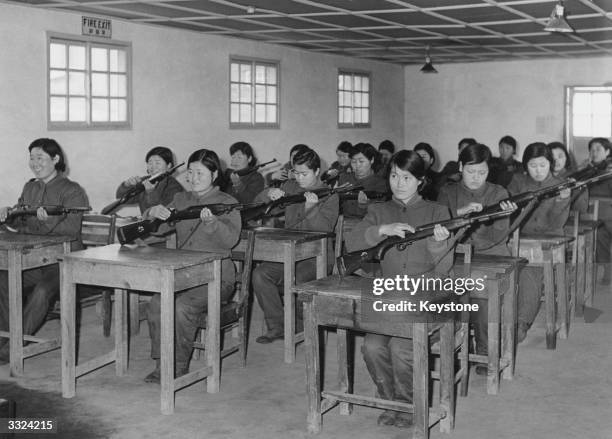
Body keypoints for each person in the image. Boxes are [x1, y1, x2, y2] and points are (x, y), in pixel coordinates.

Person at [346, 150, 452, 428]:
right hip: (387, 293)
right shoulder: (378, 210)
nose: (399, 182)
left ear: (421, 180)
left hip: (423, 294)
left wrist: (440, 242)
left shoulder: (437, 211)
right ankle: (389, 400)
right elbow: (353, 243)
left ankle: (407, 406)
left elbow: (443, 267)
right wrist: (382, 229)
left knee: (402, 349)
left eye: (407, 177)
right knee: (371, 346)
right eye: (394, 175)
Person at [144, 149, 241, 383]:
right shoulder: (181, 199)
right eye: (190, 172)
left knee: (182, 306)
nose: (194, 178)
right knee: (157, 302)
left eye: (200, 172)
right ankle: (161, 361)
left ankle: (177, 366)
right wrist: (152, 212)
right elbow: (159, 229)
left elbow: (231, 240)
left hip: (217, 276)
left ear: (215, 174)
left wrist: (213, 223)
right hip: (185, 273)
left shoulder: (228, 203)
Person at [0, 138, 89, 364]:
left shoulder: (73, 191)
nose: (34, 163)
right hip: (35, 259)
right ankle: (8, 336)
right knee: (3, 279)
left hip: (64, 260)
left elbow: (71, 231)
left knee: (41, 291)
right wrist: (8, 215)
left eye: (40, 157)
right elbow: (21, 225)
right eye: (31, 157)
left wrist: (47, 222)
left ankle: (15, 345)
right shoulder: (30, 187)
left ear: (55, 159)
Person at [437, 143, 518, 372]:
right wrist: (460, 215)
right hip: (456, 256)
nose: (476, 177)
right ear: (460, 166)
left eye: (482, 172)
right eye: (471, 171)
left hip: (491, 256)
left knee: (481, 294)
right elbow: (437, 227)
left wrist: (481, 224)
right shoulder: (447, 192)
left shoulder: (498, 193)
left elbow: (498, 236)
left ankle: (484, 349)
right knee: (444, 293)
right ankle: (453, 348)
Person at [252, 147, 339, 344]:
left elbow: (324, 230)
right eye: (296, 173)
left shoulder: (330, 194)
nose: (299, 178)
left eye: (304, 174)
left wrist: (312, 208)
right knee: (259, 274)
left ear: (317, 171)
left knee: (300, 277)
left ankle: (301, 325)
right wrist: (269, 193)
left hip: (317, 257)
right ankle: (277, 325)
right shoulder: (291, 187)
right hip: (290, 252)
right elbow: (260, 207)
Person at [507, 142, 571, 339]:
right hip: (518, 238)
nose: (538, 171)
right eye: (532, 166)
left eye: (542, 165)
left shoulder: (559, 184)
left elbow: (557, 223)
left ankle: (521, 323)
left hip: (548, 242)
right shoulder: (518, 182)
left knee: (529, 272)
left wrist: (562, 200)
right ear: (525, 166)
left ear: (550, 164)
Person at [115, 146, 184, 214]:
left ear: (169, 165)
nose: (153, 166)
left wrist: (151, 193)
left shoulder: (174, 187)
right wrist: (126, 185)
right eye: (150, 162)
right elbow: (121, 198)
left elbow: (163, 214)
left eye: (157, 163)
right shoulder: (145, 181)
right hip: (145, 223)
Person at [584, 137, 612, 284]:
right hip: (593, 214)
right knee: (600, 233)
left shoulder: (610, 169)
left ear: (607, 151)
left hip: (607, 212)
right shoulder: (586, 170)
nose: (594, 153)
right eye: (592, 150)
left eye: (598, 149)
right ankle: (607, 270)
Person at [337, 143, 388, 219]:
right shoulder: (344, 178)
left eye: (361, 161)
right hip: (343, 223)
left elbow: (380, 213)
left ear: (372, 160)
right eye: (353, 162)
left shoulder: (381, 183)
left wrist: (364, 205)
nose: (357, 165)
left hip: (368, 224)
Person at [548, 141, 587, 213]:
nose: (556, 160)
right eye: (551, 157)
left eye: (560, 156)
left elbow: (581, 209)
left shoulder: (575, 177)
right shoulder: (542, 178)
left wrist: (578, 189)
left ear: (566, 158)